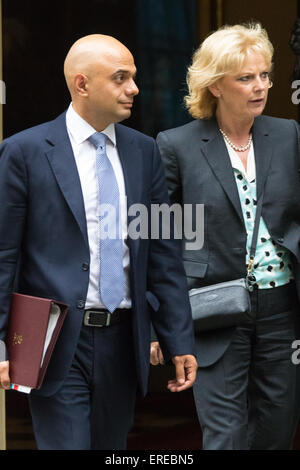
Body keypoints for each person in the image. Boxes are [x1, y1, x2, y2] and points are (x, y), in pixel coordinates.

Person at [0, 34, 197, 450]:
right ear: (82, 83)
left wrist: (177, 338)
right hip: (53, 341)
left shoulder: (145, 152)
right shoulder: (23, 152)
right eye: (121, 78)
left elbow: (162, 254)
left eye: (134, 77)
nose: (134, 89)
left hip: (123, 340)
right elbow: (3, 256)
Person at [151, 23, 300, 450]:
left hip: (281, 306)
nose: (260, 86)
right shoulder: (175, 145)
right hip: (213, 305)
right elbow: (155, 238)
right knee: (225, 434)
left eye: (265, 75)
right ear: (215, 85)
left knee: (277, 430)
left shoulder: (288, 135)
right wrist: (159, 319)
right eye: (245, 77)